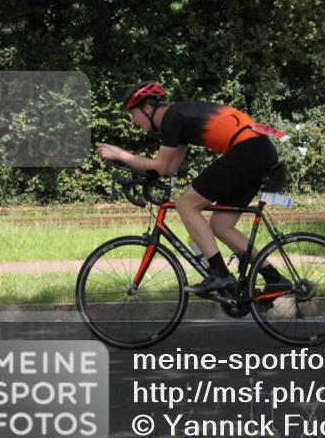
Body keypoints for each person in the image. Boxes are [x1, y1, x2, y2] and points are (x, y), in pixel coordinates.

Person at [96, 80, 289, 295]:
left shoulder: (172, 117)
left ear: (147, 108)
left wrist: (121, 154)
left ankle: (220, 275)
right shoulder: (178, 119)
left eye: (133, 114)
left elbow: (160, 165)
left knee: (186, 204)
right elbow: (169, 169)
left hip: (248, 150)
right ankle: (274, 278)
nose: (132, 121)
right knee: (221, 226)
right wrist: (140, 173)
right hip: (257, 150)